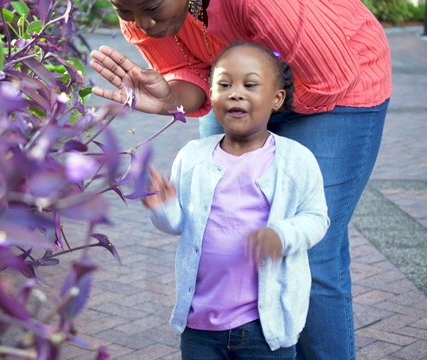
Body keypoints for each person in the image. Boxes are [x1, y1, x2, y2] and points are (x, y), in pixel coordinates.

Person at [90, 1, 391, 358]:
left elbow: (331, 76)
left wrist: (261, 113)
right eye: (125, 11)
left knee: (308, 250)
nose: (141, 23)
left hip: (337, 84)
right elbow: (192, 73)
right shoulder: (142, 10)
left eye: (150, 7)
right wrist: (173, 96)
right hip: (243, 84)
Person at [141, 41, 330, 359]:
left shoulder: (296, 160)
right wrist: (163, 208)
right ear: (211, 94)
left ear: (276, 98)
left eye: (250, 84)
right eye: (224, 84)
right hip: (200, 325)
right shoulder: (193, 157)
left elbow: (317, 218)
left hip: (264, 328)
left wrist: (282, 235)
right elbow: (179, 224)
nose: (235, 93)